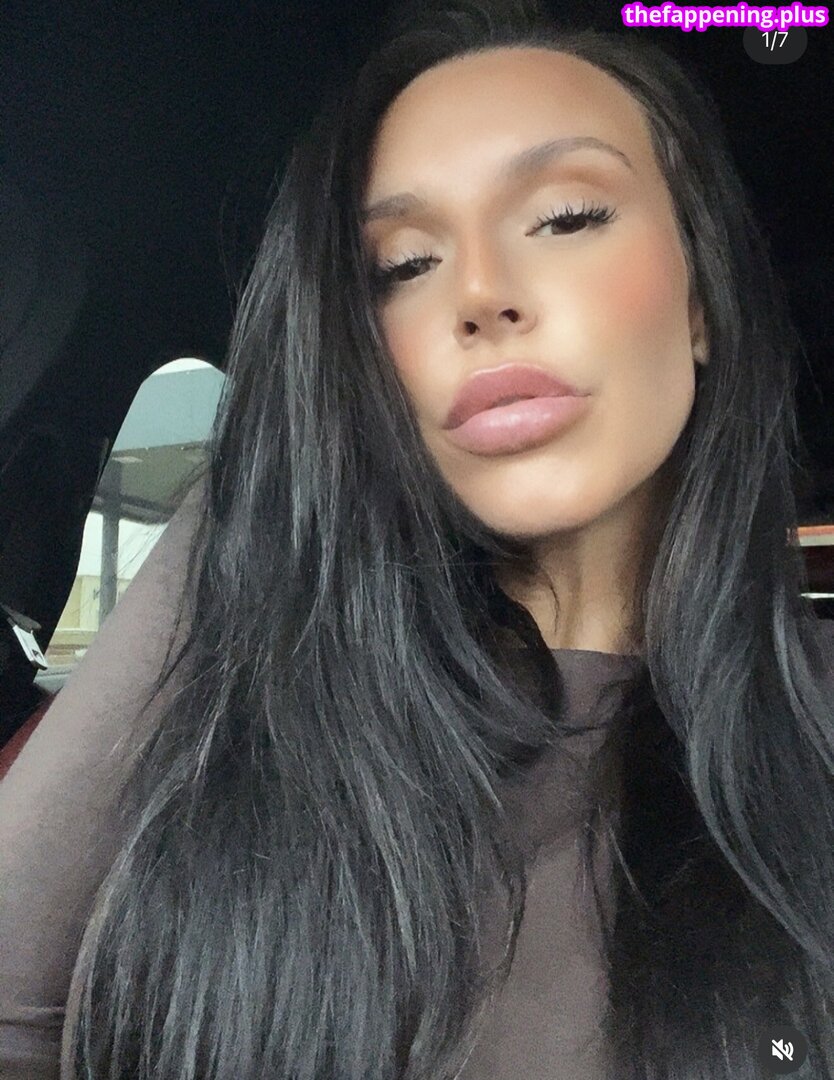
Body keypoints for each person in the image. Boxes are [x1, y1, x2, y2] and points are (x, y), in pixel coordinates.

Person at [2, 1, 833, 1077]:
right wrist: (254, 510)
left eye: (567, 216)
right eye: (401, 266)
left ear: (701, 303)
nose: (479, 294)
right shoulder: (251, 657)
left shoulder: (808, 735)